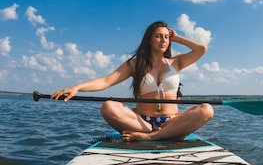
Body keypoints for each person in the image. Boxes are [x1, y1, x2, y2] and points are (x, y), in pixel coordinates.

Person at [51, 21, 214, 141]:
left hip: (171, 121)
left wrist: (177, 38)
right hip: (142, 122)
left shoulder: (176, 62)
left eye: (166, 37)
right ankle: (159, 133)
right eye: (158, 36)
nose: (163, 40)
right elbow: (106, 81)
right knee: (108, 106)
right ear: (149, 40)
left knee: (207, 110)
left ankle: (152, 137)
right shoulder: (135, 64)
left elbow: (201, 49)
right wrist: (76, 87)